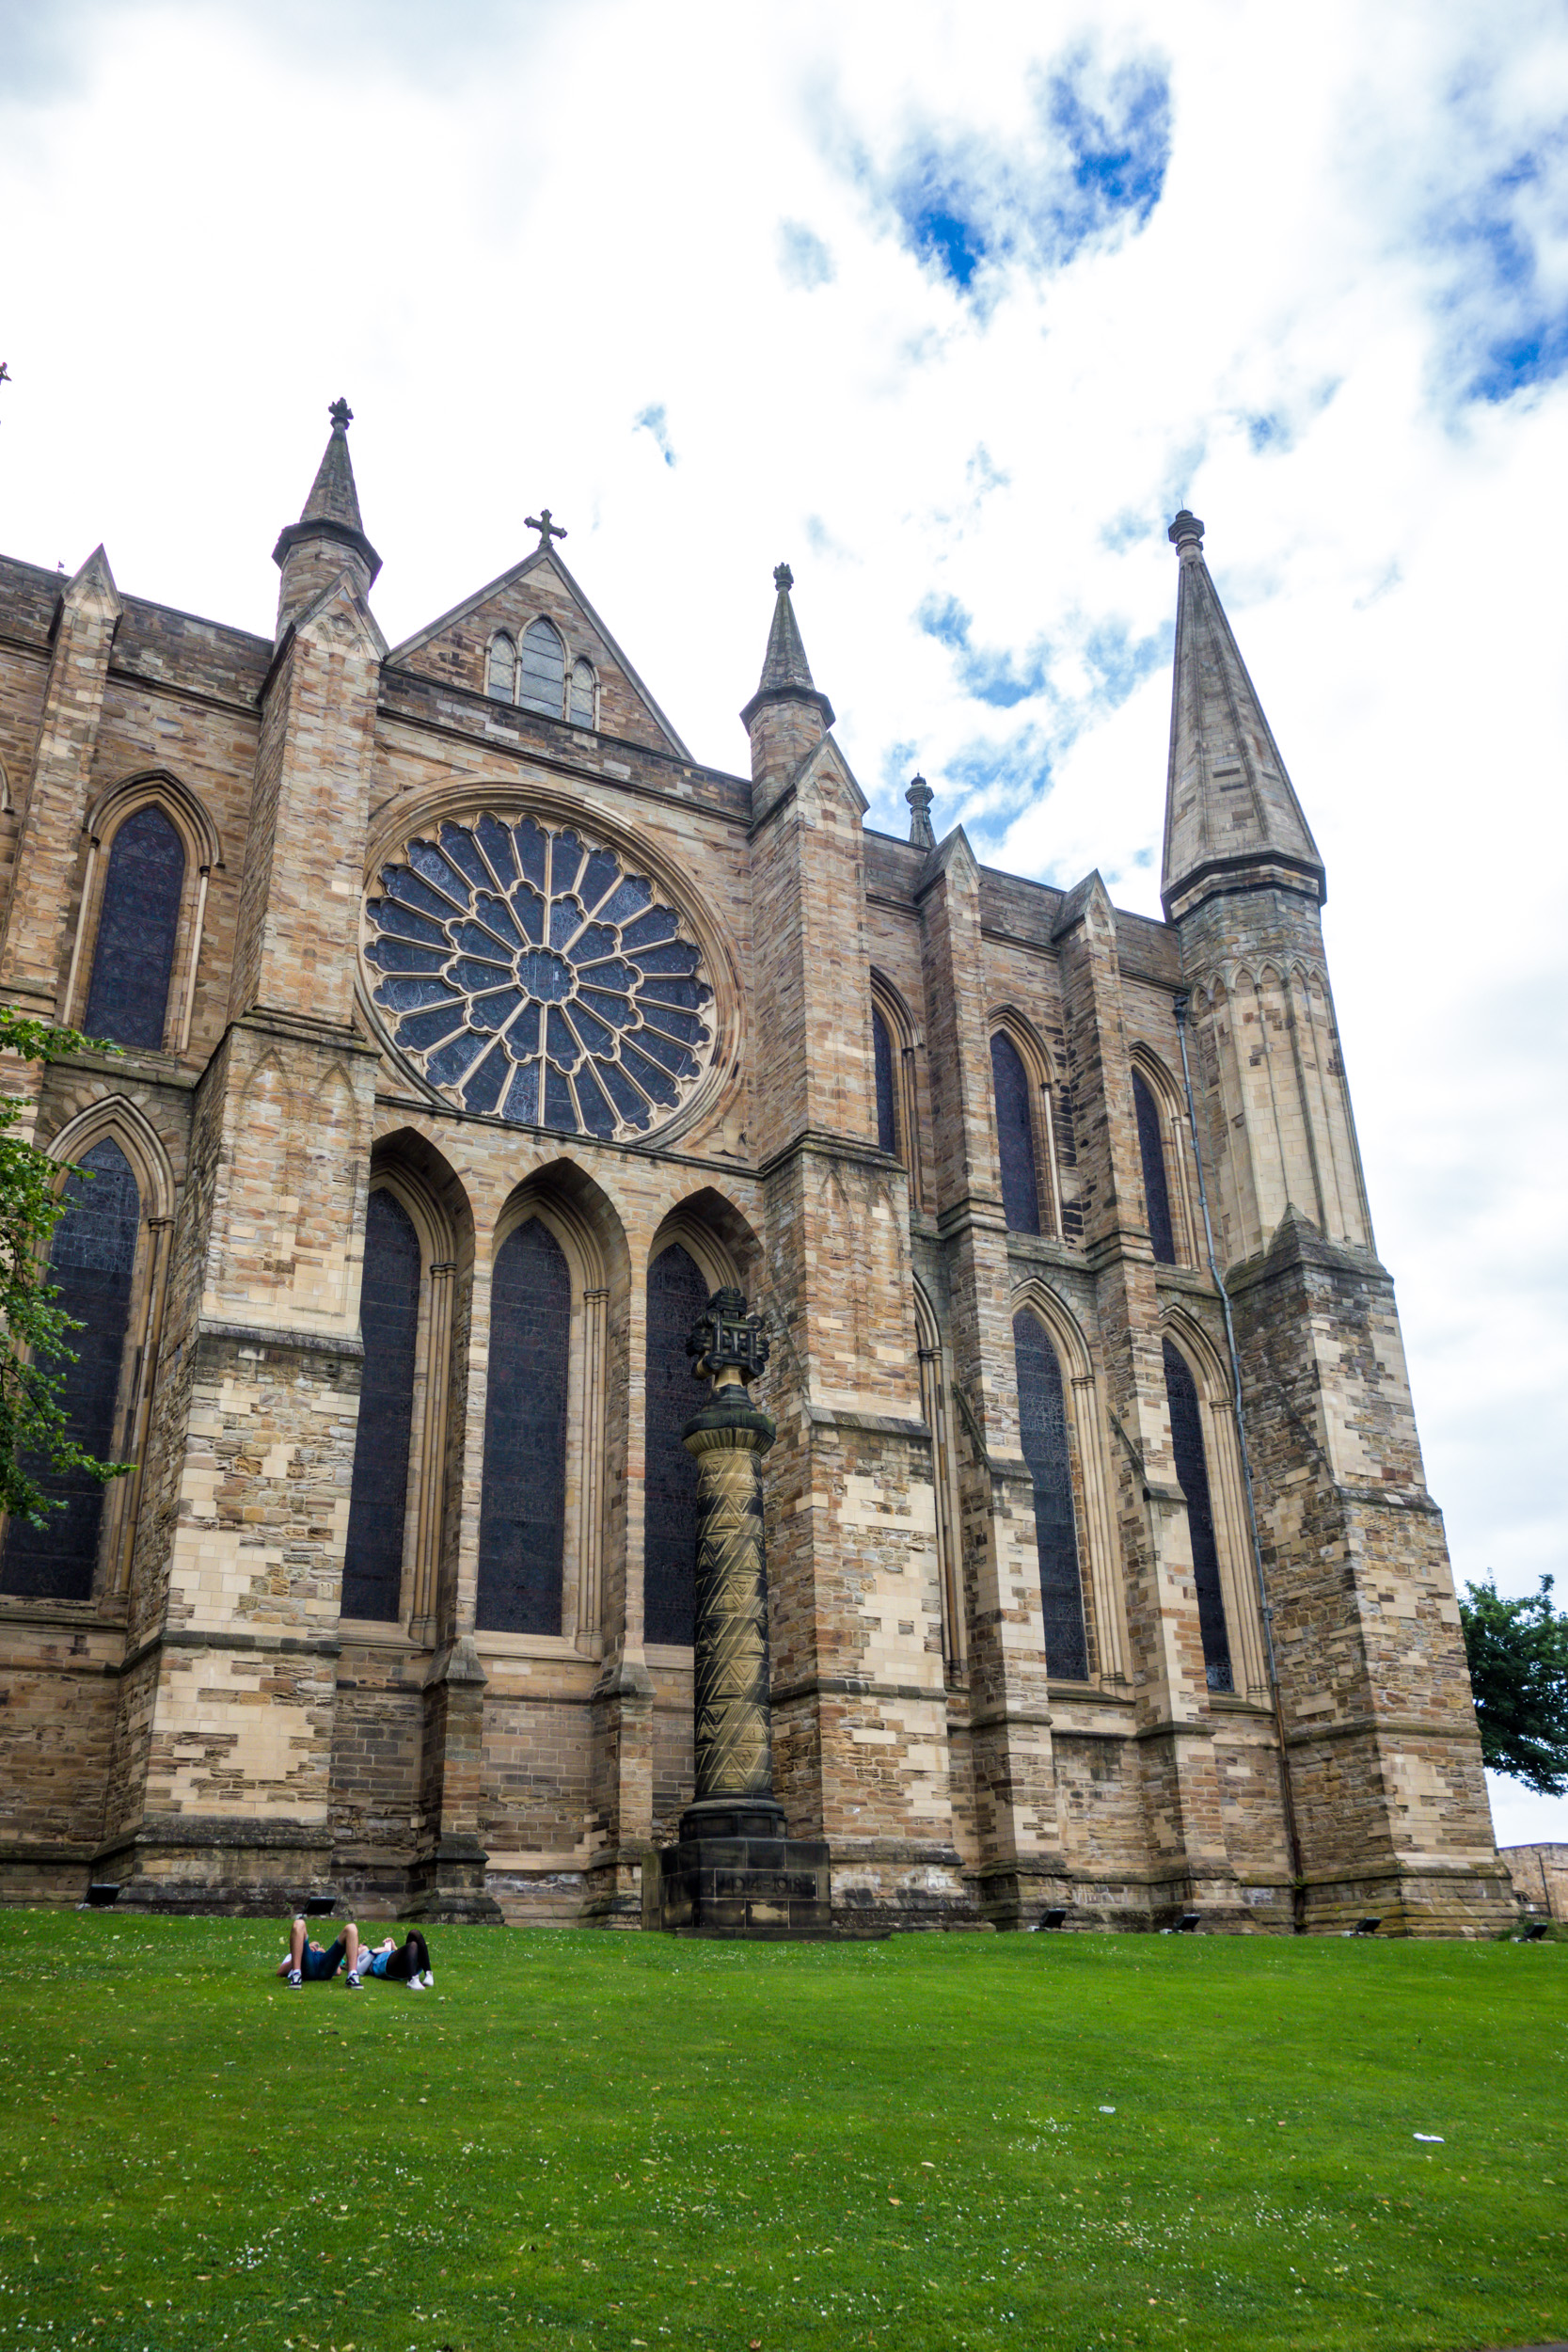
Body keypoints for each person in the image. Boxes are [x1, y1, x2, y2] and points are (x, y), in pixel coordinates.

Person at [277, 1913, 362, 1989]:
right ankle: (296, 1975)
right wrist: (301, 1954)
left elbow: (338, 1972)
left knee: (351, 1927)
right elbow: (280, 1972)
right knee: (299, 1923)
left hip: (324, 1964)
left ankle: (352, 1975)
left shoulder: (322, 1953)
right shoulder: (294, 1952)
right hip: (306, 1965)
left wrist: (323, 1953)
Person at [357, 1928, 435, 1990]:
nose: (361, 1945)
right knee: (413, 1945)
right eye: (358, 1946)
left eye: (362, 1944)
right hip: (386, 1966)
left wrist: (393, 1948)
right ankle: (412, 1980)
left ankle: (428, 1974)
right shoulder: (360, 1957)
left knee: (414, 1933)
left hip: (401, 1963)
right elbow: (359, 1971)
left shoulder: (375, 1952)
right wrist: (374, 1952)